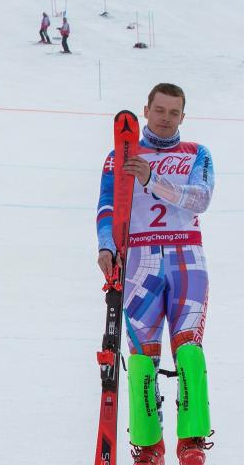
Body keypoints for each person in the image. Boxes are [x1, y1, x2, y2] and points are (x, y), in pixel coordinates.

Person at [95, 83, 215, 465]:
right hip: (140, 260)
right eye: (159, 110)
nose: (165, 118)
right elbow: (106, 207)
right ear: (146, 110)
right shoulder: (120, 154)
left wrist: (152, 179)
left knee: (190, 351)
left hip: (186, 257)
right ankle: (148, 446)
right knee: (142, 357)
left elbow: (201, 198)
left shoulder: (197, 153)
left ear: (183, 115)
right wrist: (106, 247)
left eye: (174, 112)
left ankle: (192, 442)